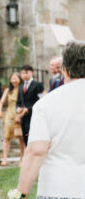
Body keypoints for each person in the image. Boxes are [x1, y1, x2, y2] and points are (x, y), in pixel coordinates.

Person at [15, 41, 85, 199]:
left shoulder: (46, 104)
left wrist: (21, 193)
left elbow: (35, 152)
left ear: (64, 70)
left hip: (58, 188)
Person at [0, 73, 25, 166]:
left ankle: (22, 158)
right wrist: (0, 111)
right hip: (9, 115)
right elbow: (1, 102)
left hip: (19, 115)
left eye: (16, 78)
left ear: (20, 79)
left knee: (21, 138)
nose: (14, 81)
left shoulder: (23, 89)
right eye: (12, 79)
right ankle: (4, 158)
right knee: (7, 137)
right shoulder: (8, 90)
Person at [17, 65, 44, 145]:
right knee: (25, 138)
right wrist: (18, 108)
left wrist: (29, 109)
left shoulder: (38, 85)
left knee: (33, 137)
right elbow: (18, 101)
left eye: (26, 73)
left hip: (33, 115)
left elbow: (41, 100)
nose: (24, 75)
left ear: (32, 73)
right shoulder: (20, 86)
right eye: (22, 73)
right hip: (23, 117)